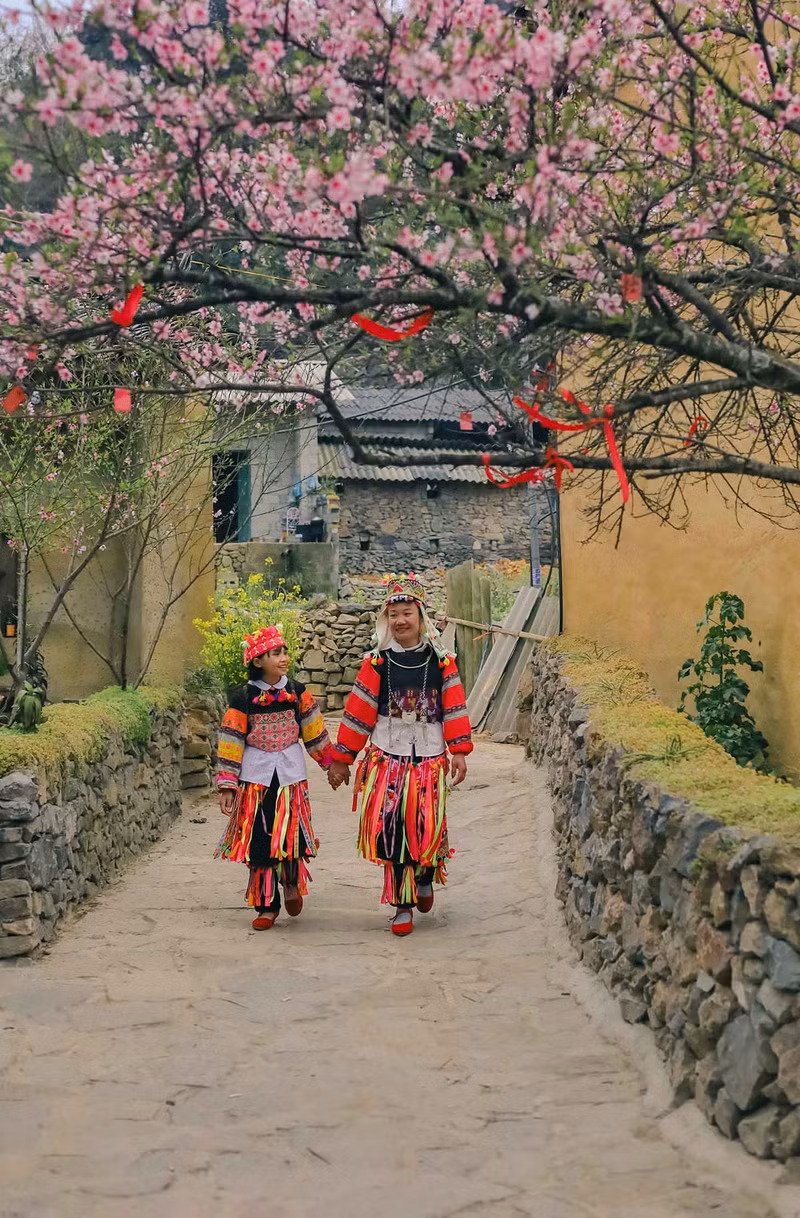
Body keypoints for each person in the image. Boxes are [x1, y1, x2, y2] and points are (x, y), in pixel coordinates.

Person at [328, 573, 472, 936]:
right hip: (387, 759)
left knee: (425, 825)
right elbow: (359, 712)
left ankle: (425, 875)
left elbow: (454, 708)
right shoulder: (376, 664)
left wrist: (459, 751)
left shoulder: (442, 663)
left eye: (407, 613)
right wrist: (342, 757)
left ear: (421, 617)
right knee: (392, 828)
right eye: (393, 615)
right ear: (385, 619)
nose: (400, 621)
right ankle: (402, 904)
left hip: (428, 759)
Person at [215, 624, 333, 930]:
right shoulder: (243, 697)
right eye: (275, 653)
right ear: (257, 661)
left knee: (291, 833)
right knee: (259, 838)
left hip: (290, 777)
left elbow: (314, 730)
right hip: (256, 779)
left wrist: (331, 764)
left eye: (284, 652)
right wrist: (227, 785)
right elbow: (231, 740)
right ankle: (266, 904)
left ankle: (291, 882)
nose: (283, 658)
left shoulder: (296, 692)